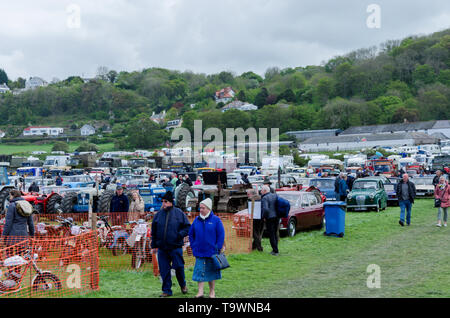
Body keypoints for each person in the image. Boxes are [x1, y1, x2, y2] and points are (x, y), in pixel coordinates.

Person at [151, 191, 191, 297]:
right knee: (164, 270)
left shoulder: (179, 213)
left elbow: (187, 227)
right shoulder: (158, 215)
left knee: (179, 267)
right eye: (162, 201)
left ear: (171, 202)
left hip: (176, 247)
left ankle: (183, 285)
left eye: (166, 201)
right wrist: (153, 246)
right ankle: (166, 290)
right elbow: (153, 231)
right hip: (162, 248)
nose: (163, 203)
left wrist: (179, 235)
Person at [188, 198, 225, 298]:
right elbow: (191, 234)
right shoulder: (196, 220)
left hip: (212, 252)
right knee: (199, 271)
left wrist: (218, 247)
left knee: (211, 272)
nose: (201, 210)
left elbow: (221, 235)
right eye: (200, 208)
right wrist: (193, 245)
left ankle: (212, 292)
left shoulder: (216, 220)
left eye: (203, 208)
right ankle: (200, 292)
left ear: (208, 208)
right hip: (199, 252)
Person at [1, 189, 35, 281]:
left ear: (13, 195)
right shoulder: (27, 205)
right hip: (23, 236)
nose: (9, 197)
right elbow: (31, 223)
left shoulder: (12, 206)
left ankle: (12, 274)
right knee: (20, 257)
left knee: (9, 256)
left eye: (10, 196)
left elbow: (8, 224)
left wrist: (3, 237)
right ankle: (17, 275)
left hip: (12, 236)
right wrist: (32, 235)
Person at [261, 185, 279, 256]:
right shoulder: (275, 195)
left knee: (271, 234)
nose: (260, 191)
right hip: (277, 216)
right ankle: (275, 249)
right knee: (275, 234)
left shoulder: (265, 198)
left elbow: (265, 209)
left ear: (265, 191)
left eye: (261, 190)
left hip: (270, 218)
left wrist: (264, 217)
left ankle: (275, 251)